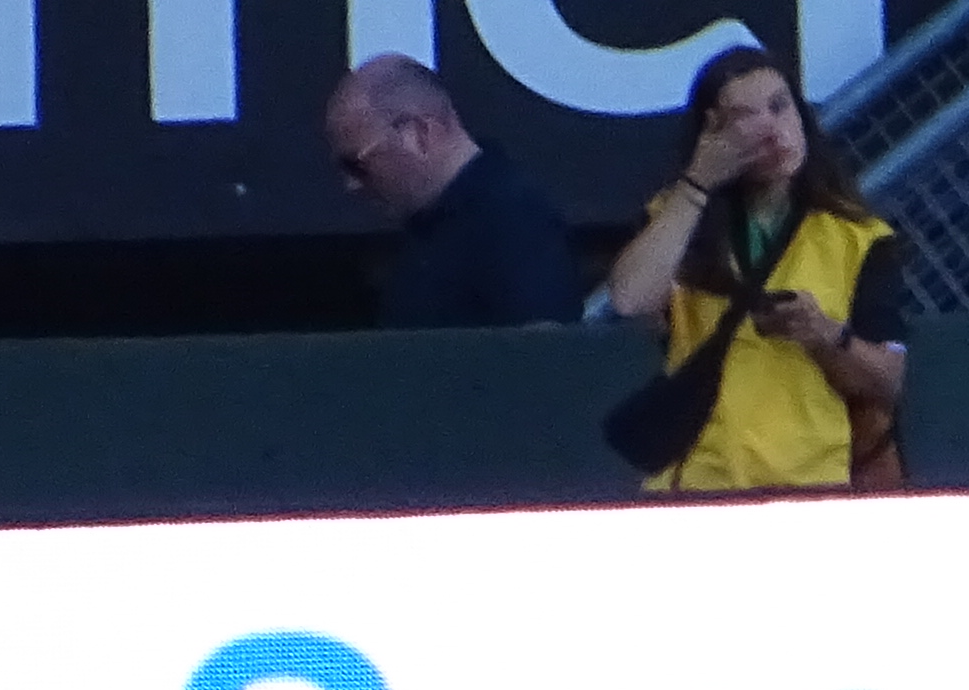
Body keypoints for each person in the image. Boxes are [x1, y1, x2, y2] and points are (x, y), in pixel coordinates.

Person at [601, 46, 908, 495]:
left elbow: (888, 380)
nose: (771, 129)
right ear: (713, 131)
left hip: (808, 482)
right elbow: (630, 298)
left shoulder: (859, 238)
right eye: (746, 116)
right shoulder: (676, 216)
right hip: (700, 480)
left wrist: (824, 333)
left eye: (780, 107)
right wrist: (698, 182)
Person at [323, 56, 586, 330]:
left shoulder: (513, 217)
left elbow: (542, 350)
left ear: (417, 133)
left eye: (355, 163)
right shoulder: (427, 230)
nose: (351, 185)